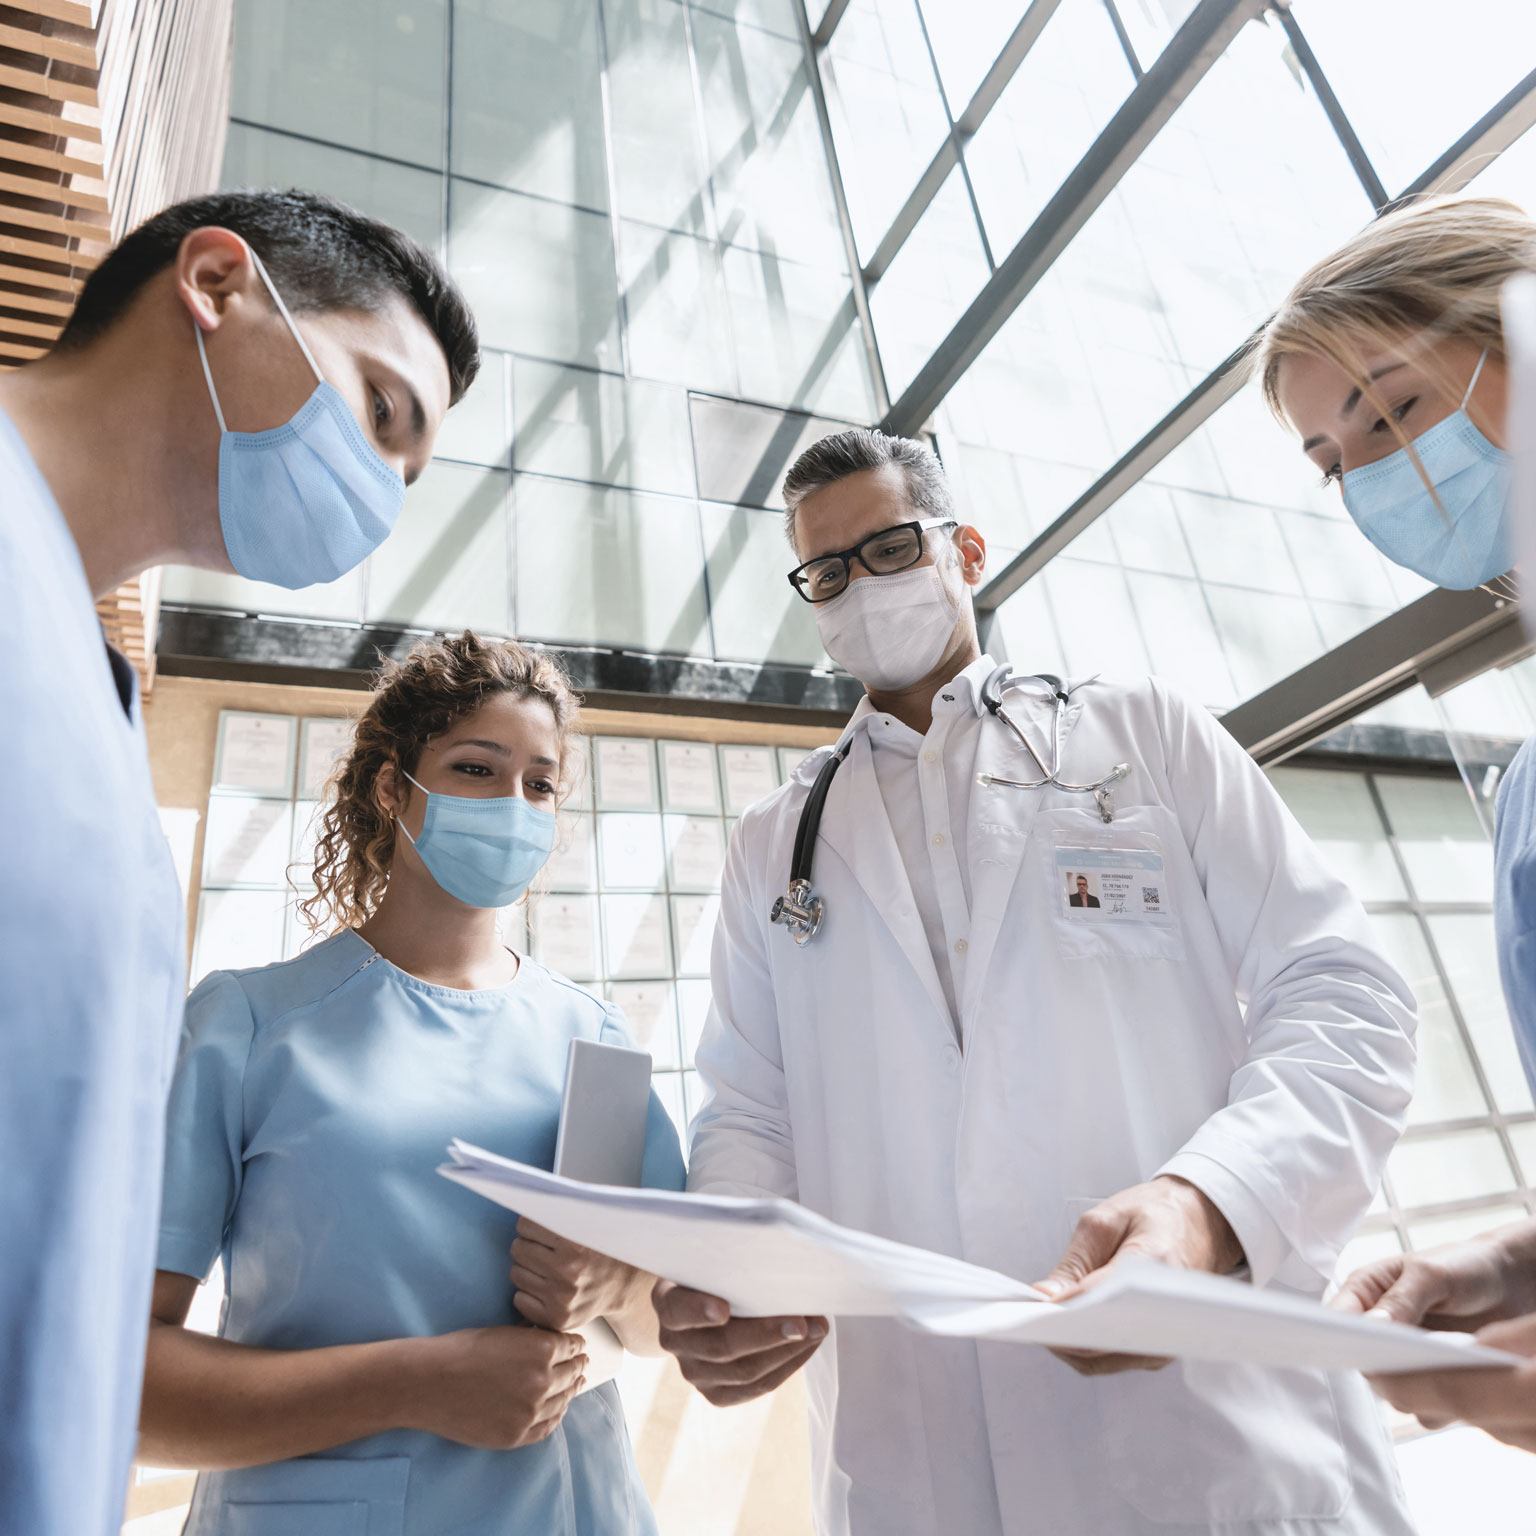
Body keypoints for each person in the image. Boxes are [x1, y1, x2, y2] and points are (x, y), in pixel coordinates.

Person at [652, 428, 1419, 1535]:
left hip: (1209, 1430)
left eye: (888, 549)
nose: (859, 588)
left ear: (964, 551)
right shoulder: (778, 842)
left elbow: (1341, 992)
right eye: (826, 572)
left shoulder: (1140, 732)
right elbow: (749, 1107)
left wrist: (1213, 1203)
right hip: (919, 1449)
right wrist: (732, 1272)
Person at [0, 187, 477, 1535]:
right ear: (217, 283)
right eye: (380, 412)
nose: (375, 497)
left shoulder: (98, 708)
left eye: (405, 478)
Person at [140, 632, 684, 1534]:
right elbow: (125, 1384)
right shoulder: (247, 1027)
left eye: (540, 785)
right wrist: (418, 1383)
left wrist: (611, 1290)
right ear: (393, 788)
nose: (513, 805)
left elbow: (667, 1319)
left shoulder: (591, 1035)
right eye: (476, 769)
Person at [1256, 193, 1536, 1451]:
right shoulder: (1525, 791)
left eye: (1394, 412)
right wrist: (1508, 1266)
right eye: (1336, 463)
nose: (1376, 478)